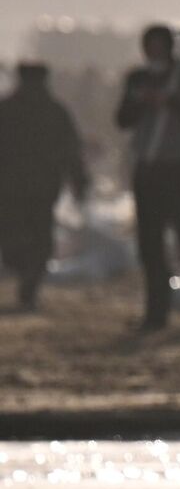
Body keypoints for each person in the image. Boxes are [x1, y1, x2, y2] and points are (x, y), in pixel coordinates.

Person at [116, 23, 180, 332]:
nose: (153, 53)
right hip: (148, 169)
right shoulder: (138, 79)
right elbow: (122, 119)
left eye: (159, 47)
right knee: (150, 245)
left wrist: (171, 101)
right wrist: (143, 101)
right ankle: (157, 313)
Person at [0, 64, 89, 309]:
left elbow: (71, 151)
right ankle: (28, 276)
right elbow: (72, 151)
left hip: (34, 187)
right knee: (21, 238)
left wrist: (79, 180)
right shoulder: (15, 110)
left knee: (32, 237)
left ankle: (29, 281)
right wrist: (78, 181)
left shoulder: (51, 112)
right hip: (19, 187)